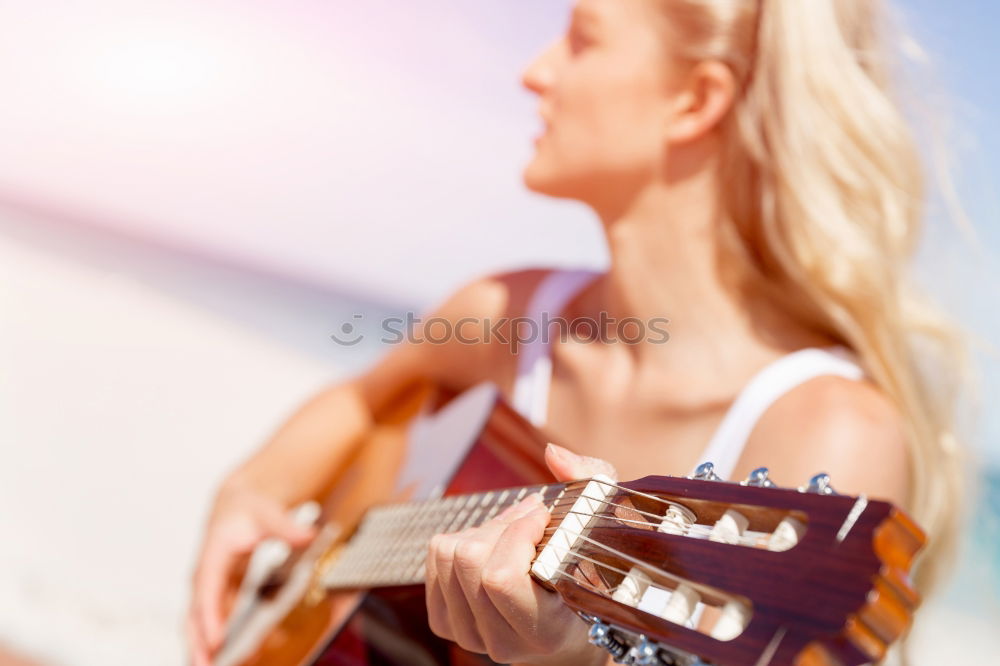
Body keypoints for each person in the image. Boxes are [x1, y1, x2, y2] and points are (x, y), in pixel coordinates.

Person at [187, 0, 966, 664]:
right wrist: (254, 484)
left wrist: (571, 654)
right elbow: (362, 400)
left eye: (583, 39)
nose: (536, 72)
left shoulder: (827, 432)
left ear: (695, 101)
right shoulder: (503, 311)